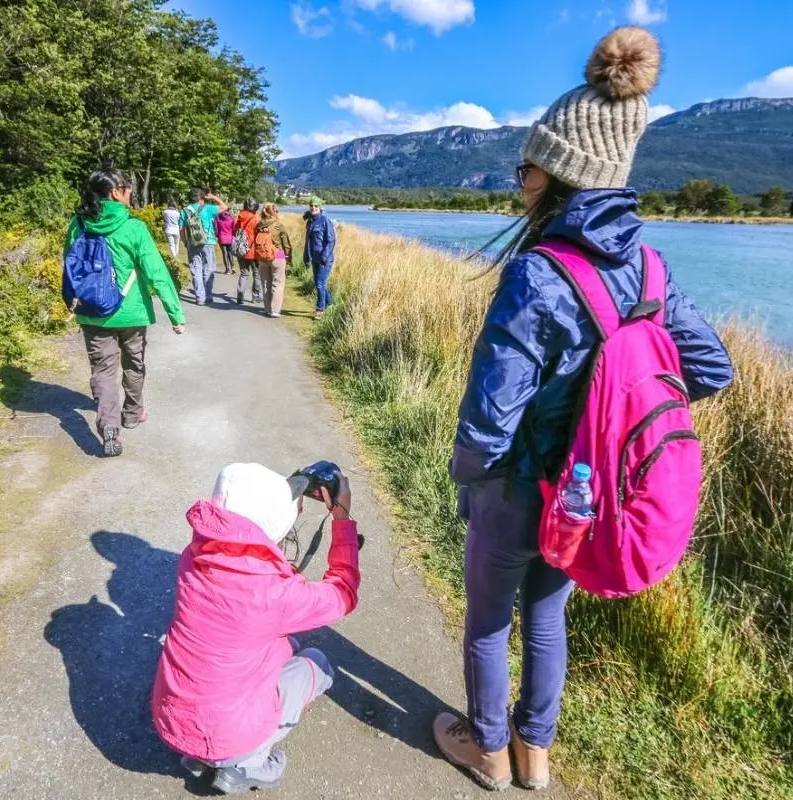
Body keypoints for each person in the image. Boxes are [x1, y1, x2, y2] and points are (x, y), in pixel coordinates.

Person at [434, 27, 734, 791]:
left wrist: (463, 481)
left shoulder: (536, 273)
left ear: (557, 172)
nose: (519, 179)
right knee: (545, 618)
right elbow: (710, 368)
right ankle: (537, 760)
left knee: (487, 624)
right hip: (587, 492)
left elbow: (489, 418)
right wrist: (608, 421)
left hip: (513, 489)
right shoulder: (650, 266)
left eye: (526, 165)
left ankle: (487, 754)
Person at [152, 463, 361, 794]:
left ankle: (205, 755)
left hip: (172, 723)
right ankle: (248, 764)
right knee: (317, 663)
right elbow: (343, 594)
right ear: (274, 527)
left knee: (283, 645)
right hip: (227, 736)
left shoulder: (193, 557)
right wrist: (342, 519)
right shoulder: (275, 595)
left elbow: (249, 570)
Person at [65, 170, 187, 457]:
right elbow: (157, 272)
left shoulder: (78, 224)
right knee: (134, 362)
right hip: (131, 312)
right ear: (115, 193)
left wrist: (73, 301)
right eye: (127, 188)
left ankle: (108, 426)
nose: (131, 192)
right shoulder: (134, 228)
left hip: (92, 311)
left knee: (103, 371)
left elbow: (70, 267)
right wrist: (176, 315)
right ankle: (132, 412)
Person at [180, 189, 227, 305]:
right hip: (208, 241)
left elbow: (181, 229)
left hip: (192, 243)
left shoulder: (185, 211)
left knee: (196, 270)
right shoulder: (208, 208)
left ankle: (200, 298)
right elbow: (224, 206)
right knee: (209, 268)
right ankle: (208, 295)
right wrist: (213, 197)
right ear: (202, 198)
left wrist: (185, 242)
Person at [255, 203, 294, 318]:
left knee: (266, 283)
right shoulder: (278, 225)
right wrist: (288, 258)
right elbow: (286, 244)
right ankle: (275, 310)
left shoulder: (259, 225)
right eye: (277, 211)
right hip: (278, 254)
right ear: (274, 212)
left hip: (262, 256)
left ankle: (267, 308)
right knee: (278, 283)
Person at [302, 196, 335, 320]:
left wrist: (324, 256)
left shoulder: (325, 221)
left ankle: (320, 310)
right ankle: (329, 303)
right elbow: (308, 242)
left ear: (320, 208)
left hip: (324, 259)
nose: (313, 208)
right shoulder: (310, 222)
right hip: (314, 258)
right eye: (311, 206)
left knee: (320, 283)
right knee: (318, 283)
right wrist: (306, 257)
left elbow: (331, 240)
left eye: (316, 206)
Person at [234, 198, 263, 305]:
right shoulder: (256, 219)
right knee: (256, 274)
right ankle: (256, 296)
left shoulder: (239, 218)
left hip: (241, 250)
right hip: (253, 251)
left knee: (244, 273)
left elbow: (235, 232)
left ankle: (240, 294)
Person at [215, 206, 237, 274]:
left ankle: (227, 269)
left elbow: (216, 229)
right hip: (229, 237)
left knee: (224, 253)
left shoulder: (218, 218)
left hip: (221, 237)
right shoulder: (231, 218)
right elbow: (234, 228)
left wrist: (217, 235)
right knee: (230, 253)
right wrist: (233, 235)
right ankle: (232, 267)